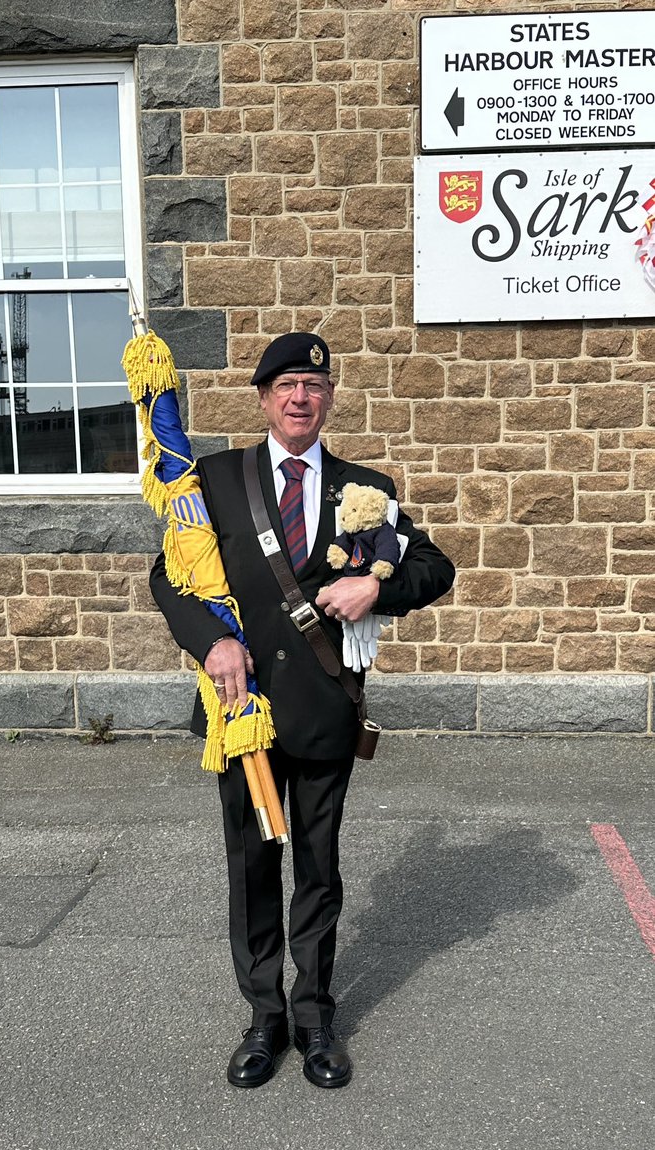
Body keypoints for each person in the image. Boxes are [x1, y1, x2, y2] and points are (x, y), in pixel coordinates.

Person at [149, 332, 455, 1089]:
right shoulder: (214, 481)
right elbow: (170, 576)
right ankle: (264, 1018)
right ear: (262, 398)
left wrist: (376, 588)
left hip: (323, 715)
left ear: (327, 400)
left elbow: (435, 567)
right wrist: (210, 644)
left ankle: (315, 1017)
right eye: (285, 385)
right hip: (241, 711)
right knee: (254, 868)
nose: (299, 398)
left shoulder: (366, 490)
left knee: (318, 871)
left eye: (313, 388)